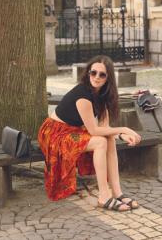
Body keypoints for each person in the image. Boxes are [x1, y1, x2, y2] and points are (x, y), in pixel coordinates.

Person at [38, 55, 141, 212]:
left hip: (73, 129)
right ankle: (104, 196)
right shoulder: (83, 95)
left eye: (102, 74)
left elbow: (104, 128)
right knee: (100, 142)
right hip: (55, 133)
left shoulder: (103, 95)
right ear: (88, 73)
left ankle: (117, 192)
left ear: (108, 78)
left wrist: (120, 136)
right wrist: (124, 129)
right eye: (93, 73)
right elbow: (94, 131)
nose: (96, 77)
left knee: (109, 140)